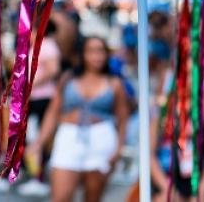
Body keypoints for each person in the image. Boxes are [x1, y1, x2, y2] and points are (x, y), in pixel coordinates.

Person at [29, 36, 129, 202]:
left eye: (100, 51)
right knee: (60, 197)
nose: (96, 56)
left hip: (101, 138)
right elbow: (53, 113)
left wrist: (118, 149)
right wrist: (39, 142)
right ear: (82, 54)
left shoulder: (114, 83)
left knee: (92, 197)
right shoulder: (68, 78)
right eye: (91, 51)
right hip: (69, 137)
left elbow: (122, 119)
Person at [18, 20, 61, 197]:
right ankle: (28, 171)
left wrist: (31, 85)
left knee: (37, 137)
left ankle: (39, 177)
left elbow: (53, 70)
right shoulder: (40, 45)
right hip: (33, 97)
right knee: (27, 136)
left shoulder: (48, 46)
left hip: (41, 98)